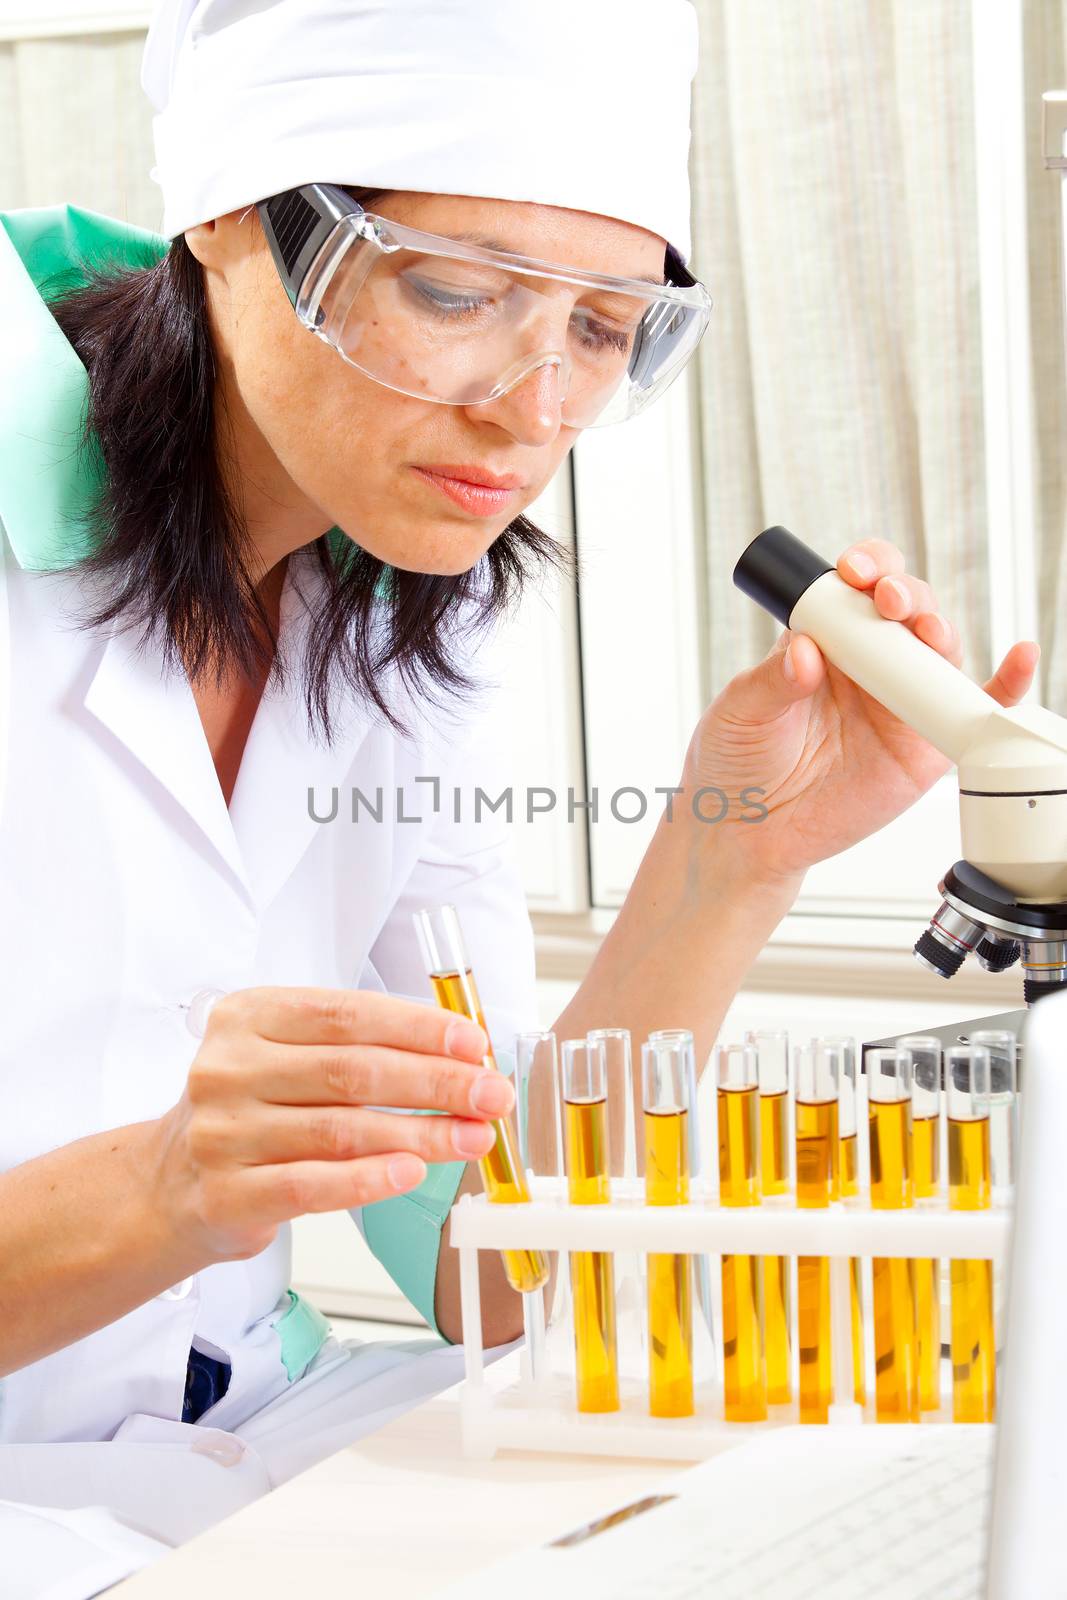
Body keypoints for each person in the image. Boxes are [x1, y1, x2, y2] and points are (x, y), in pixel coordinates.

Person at [0, 0, 1039, 1584]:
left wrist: (730, 861)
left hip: (256, 1447)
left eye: (606, 329)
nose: (534, 409)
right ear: (227, 218)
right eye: (458, 293)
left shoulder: (414, 603)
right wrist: (155, 1192)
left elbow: (496, 1273)